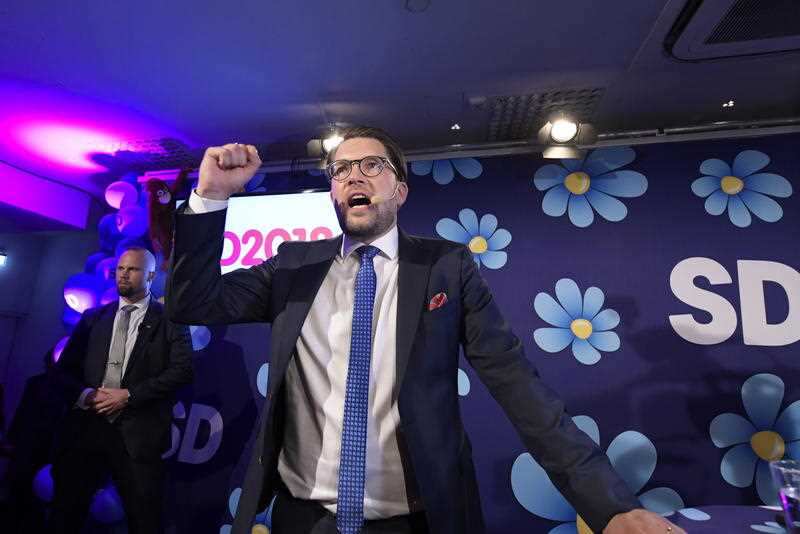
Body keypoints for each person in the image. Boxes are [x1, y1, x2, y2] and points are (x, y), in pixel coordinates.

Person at [167, 126, 684, 534]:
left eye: (372, 165)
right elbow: (193, 302)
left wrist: (610, 506)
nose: (353, 177)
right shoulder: (292, 266)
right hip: (303, 519)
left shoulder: (446, 268)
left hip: (417, 520)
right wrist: (210, 197)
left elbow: (520, 388)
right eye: (341, 169)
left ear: (400, 189)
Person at [50, 246, 193, 533]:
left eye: (133, 269)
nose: (124, 274)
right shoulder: (92, 318)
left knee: (143, 521)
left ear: (151, 275)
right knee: (65, 515)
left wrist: (129, 396)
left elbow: (182, 371)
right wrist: (87, 395)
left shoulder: (170, 321)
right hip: (85, 432)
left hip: (138, 439)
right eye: (120, 268)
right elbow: (64, 372)